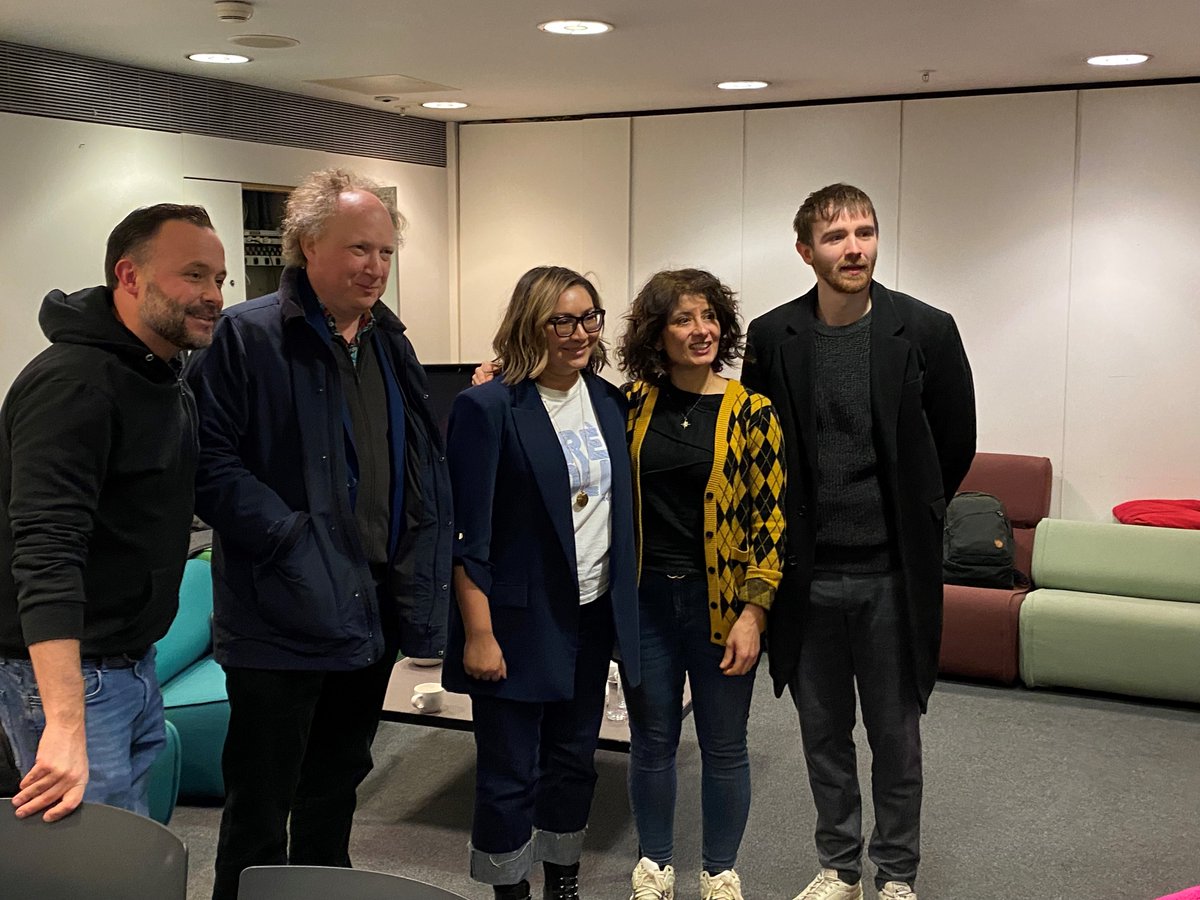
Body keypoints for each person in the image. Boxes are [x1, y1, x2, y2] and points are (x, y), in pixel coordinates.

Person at [186, 168, 453, 900]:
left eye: (386, 252)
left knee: (336, 787)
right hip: (280, 610)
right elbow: (208, 462)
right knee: (261, 804)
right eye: (359, 249)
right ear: (307, 247)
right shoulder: (245, 337)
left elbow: (416, 464)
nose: (375, 267)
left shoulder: (389, 342)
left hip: (367, 609)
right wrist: (292, 538)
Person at [741, 184, 976, 900]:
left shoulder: (927, 330)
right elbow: (758, 448)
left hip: (890, 576)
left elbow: (955, 440)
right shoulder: (772, 335)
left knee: (896, 736)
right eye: (837, 235)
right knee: (823, 734)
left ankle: (897, 873)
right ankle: (839, 866)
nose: (854, 248)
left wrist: (919, 513)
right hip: (806, 576)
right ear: (805, 249)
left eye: (865, 232)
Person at [0, 204, 226, 822]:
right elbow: (47, 552)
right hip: (73, 680)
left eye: (219, 280)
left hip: (130, 662)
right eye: (195, 276)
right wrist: (65, 723)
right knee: (87, 870)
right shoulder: (75, 384)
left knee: (128, 849)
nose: (213, 296)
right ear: (129, 277)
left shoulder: (161, 372)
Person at [443, 266, 641, 900]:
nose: (578, 333)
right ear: (531, 324)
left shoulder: (610, 403)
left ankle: (563, 881)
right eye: (561, 319)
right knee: (508, 773)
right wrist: (479, 632)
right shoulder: (488, 406)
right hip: (515, 621)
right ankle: (509, 891)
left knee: (572, 762)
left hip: (589, 613)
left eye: (589, 318)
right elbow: (467, 534)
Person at [618, 269, 786, 900]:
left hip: (723, 607)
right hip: (647, 602)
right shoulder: (628, 405)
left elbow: (771, 518)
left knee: (724, 746)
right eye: (683, 319)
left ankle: (719, 871)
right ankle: (654, 866)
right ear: (657, 334)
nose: (700, 330)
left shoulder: (752, 412)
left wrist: (755, 610)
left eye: (709, 316)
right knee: (652, 742)